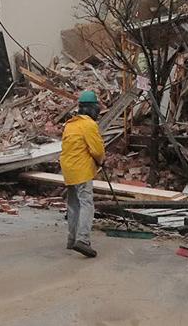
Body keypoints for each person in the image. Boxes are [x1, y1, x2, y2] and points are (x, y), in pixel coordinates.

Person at [59, 90, 105, 258]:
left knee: (73, 205)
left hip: (68, 170)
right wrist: (101, 161)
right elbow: (97, 149)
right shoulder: (89, 125)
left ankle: (71, 240)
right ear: (92, 109)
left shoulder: (70, 124)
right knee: (87, 204)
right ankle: (83, 240)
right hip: (81, 170)